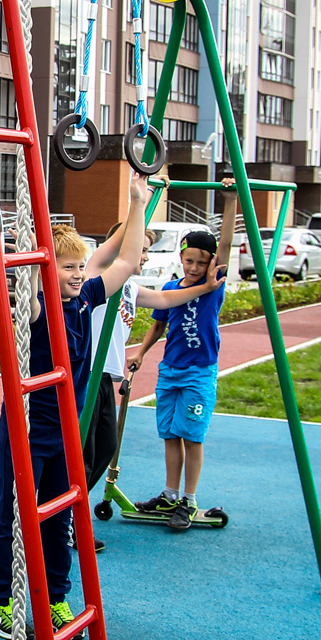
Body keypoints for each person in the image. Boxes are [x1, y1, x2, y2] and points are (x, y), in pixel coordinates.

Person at [0, 173, 160, 640]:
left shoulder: (85, 301)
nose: (78, 274)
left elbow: (123, 262)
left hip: (66, 430)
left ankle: (56, 596)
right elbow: (15, 284)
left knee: (60, 516)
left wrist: (138, 201)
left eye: (80, 267)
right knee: (16, 515)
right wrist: (25, 252)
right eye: (67, 267)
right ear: (45, 271)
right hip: (28, 429)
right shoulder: (37, 306)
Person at [84, 219, 228, 542]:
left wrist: (205, 288)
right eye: (143, 250)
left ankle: (69, 515)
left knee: (105, 448)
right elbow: (115, 248)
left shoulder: (132, 289)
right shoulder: (96, 279)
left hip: (107, 378)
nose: (146, 257)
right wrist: (140, 200)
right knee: (85, 453)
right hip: (88, 377)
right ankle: (65, 520)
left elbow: (164, 302)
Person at [128, 181, 239, 530]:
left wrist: (231, 200)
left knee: (192, 435)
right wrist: (141, 353)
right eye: (189, 260)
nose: (194, 268)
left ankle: (189, 500)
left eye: (201, 263)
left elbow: (226, 246)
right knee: (170, 435)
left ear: (211, 264)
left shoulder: (212, 288)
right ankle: (171, 494)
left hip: (198, 373)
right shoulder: (171, 289)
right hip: (170, 371)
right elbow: (158, 326)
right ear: (181, 258)